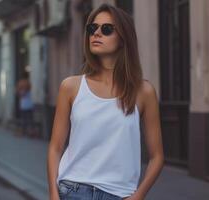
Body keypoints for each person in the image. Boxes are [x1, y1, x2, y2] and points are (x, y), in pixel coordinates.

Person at [47, 3, 164, 200]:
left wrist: (139, 195)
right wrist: (53, 193)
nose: (97, 34)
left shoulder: (143, 92)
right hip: (73, 191)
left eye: (107, 29)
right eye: (92, 28)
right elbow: (55, 147)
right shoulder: (71, 87)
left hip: (119, 194)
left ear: (123, 39)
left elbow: (157, 157)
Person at [16, 72, 36, 137]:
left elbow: (18, 92)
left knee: (24, 119)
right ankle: (30, 132)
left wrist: (20, 93)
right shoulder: (28, 83)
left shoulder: (20, 83)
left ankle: (24, 132)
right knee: (30, 119)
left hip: (23, 103)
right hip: (29, 103)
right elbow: (28, 90)